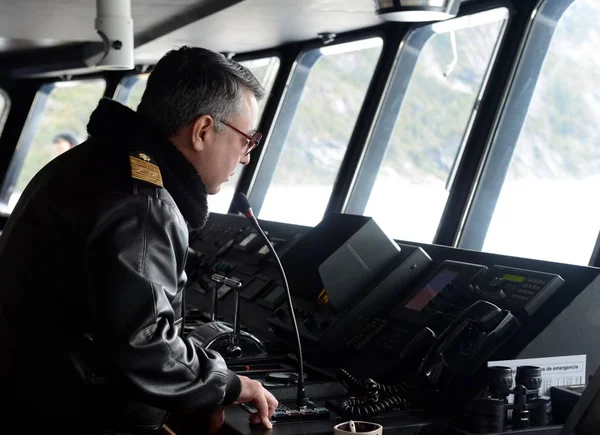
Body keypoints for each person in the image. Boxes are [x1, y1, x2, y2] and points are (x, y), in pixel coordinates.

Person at [0, 46, 277, 434]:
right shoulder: (143, 202)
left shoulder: (92, 163)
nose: (246, 157)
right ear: (201, 131)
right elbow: (145, 345)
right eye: (246, 140)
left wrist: (154, 413)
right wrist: (229, 385)